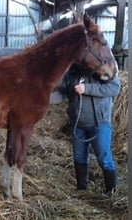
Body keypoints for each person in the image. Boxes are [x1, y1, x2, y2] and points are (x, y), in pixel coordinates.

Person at [50, 63, 120, 194]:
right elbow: (62, 93)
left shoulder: (102, 68)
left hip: (99, 123)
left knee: (104, 157)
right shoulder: (72, 72)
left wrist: (87, 88)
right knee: (79, 157)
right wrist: (42, 96)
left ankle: (111, 191)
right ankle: (82, 189)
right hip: (78, 123)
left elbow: (114, 88)